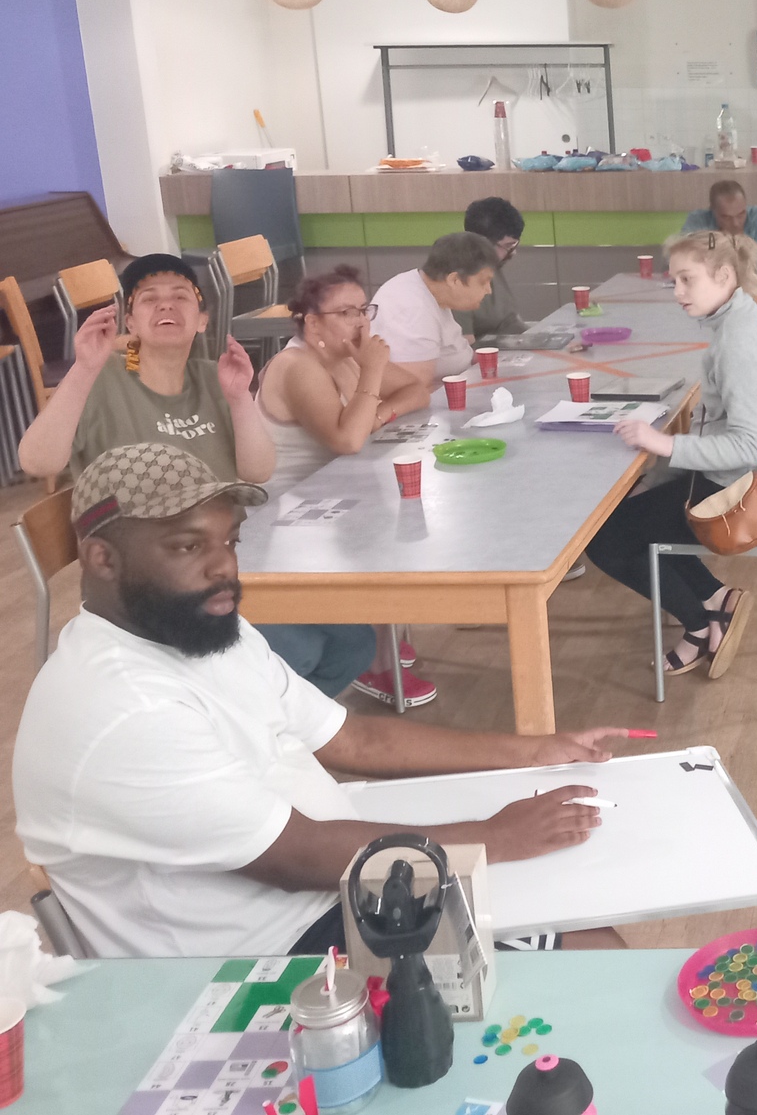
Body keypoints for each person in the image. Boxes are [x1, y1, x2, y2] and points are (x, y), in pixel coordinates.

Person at [13, 443, 636, 958]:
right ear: (103, 559)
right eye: (187, 546)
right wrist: (494, 837)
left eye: (230, 541)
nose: (223, 567)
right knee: (590, 950)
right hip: (272, 961)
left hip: (334, 895)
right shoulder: (123, 707)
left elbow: (355, 738)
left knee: (586, 925)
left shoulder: (200, 629)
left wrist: (533, 752)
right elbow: (296, 858)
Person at [585, 230, 757, 677]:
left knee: (604, 535)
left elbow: (748, 445)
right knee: (636, 508)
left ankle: (699, 622)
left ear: (725, 275)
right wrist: (661, 471)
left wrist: (663, 444)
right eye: (673, 280)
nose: (677, 291)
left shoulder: (739, 341)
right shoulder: (738, 320)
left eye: (687, 280)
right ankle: (716, 599)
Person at [255, 264, 433, 705]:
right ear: (312, 323)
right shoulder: (297, 366)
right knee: (381, 534)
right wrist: (371, 372)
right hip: (284, 519)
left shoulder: (347, 357)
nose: (359, 322)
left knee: (393, 522)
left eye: (364, 310)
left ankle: (382, 647)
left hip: (335, 495)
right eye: (345, 313)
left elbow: (416, 390)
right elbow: (347, 440)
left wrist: (376, 414)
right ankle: (378, 662)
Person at [19, 253, 274, 485]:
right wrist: (83, 368)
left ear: (202, 321)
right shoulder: (99, 377)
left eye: (180, 296)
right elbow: (37, 463)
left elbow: (259, 473)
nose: (165, 305)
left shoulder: (216, 378)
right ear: (131, 324)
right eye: (149, 298)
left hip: (220, 521)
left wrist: (240, 399)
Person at [371, 232, 497, 392]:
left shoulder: (431, 292)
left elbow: (457, 354)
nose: (488, 290)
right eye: (484, 282)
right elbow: (414, 392)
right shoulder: (413, 309)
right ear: (454, 280)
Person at [456, 197, 528, 338]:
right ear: (483, 244)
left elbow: (510, 319)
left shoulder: (489, 264)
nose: (513, 252)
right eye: (508, 246)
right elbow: (465, 347)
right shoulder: (459, 280)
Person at [686, 177, 757, 275]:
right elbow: (686, 259)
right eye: (726, 217)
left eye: (741, 214)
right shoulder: (698, 220)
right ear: (713, 211)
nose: (735, 223)